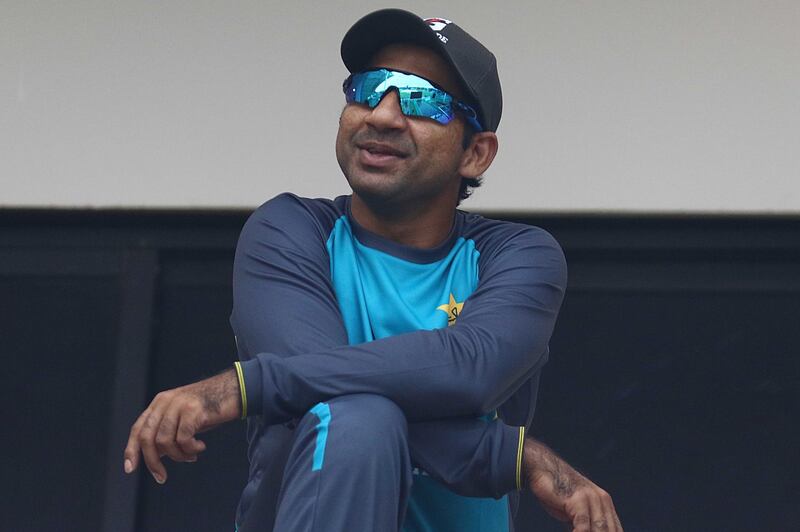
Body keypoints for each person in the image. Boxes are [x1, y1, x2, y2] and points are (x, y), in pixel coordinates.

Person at [123, 9, 622, 532]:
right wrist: (515, 457)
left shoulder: (517, 255)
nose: (381, 115)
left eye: (422, 99)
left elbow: (468, 370)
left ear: (476, 153)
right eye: (369, 88)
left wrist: (245, 387)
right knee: (358, 418)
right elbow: (334, 398)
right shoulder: (290, 231)